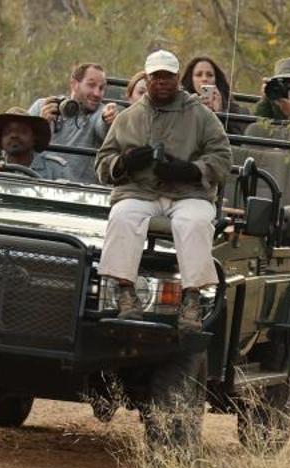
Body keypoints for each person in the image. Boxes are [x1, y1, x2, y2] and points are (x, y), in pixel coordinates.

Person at [95, 49, 232, 332]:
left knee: (194, 221)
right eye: (156, 76)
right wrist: (123, 162)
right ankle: (125, 293)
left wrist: (192, 170)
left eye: (167, 76)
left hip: (188, 193)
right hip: (140, 192)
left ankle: (192, 299)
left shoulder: (201, 116)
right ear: (147, 77)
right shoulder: (128, 117)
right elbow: (102, 164)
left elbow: (222, 158)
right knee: (122, 216)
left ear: (177, 78)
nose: (161, 82)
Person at [29, 62, 119, 181]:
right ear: (74, 84)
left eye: (102, 88)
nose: (97, 93)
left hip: (78, 194)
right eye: (91, 85)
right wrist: (41, 125)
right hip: (38, 185)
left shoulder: (99, 113)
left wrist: (108, 119)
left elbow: (103, 126)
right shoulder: (43, 106)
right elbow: (18, 141)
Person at [0, 110, 62, 179]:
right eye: (7, 132)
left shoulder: (55, 169)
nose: (14, 136)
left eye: (22, 131)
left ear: (34, 138)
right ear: (0, 140)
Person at [180, 55, 242, 135]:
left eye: (210, 75)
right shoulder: (181, 102)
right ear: (191, 79)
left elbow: (236, 142)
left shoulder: (231, 108)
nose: (204, 79)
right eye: (199, 75)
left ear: (216, 79)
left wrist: (220, 114)